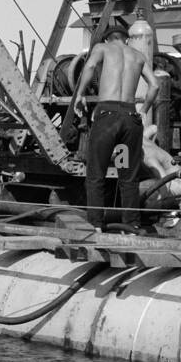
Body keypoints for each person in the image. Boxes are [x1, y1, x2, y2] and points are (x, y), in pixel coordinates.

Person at [72, 19, 161, 231]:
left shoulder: (102, 48)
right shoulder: (138, 56)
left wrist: (80, 94)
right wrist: (144, 110)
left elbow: (91, 66)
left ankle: (96, 225)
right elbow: (155, 85)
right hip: (129, 121)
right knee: (127, 176)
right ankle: (131, 225)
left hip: (107, 119)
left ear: (108, 39)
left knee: (96, 174)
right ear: (127, 39)